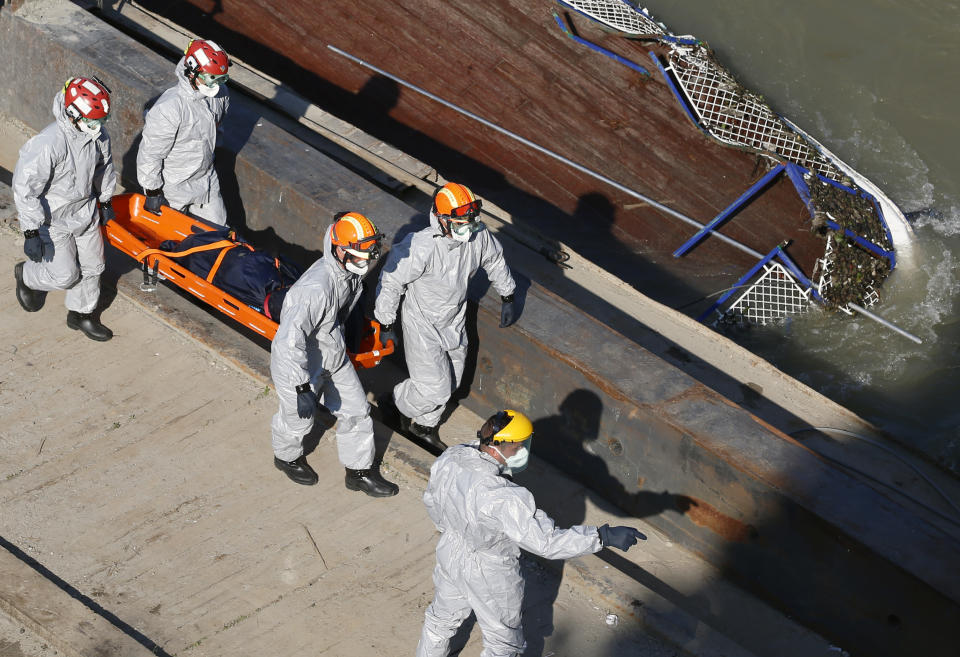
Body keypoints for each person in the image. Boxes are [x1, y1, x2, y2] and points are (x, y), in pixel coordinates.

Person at [416, 409, 646, 657]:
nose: (522, 451)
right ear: (501, 445)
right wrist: (602, 536)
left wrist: (454, 531)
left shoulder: (453, 457)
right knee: (503, 644)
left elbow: (432, 502)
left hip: (450, 550)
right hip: (489, 570)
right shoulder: (504, 496)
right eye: (519, 446)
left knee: (440, 620)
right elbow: (546, 542)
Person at [374, 182, 517, 451]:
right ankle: (393, 401)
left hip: (454, 320)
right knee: (434, 388)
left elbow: (495, 260)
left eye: (471, 220)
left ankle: (424, 426)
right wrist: (386, 321)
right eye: (461, 221)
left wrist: (507, 294)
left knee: (452, 380)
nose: (468, 226)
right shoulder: (421, 246)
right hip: (422, 325)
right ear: (441, 220)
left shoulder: (478, 235)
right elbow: (391, 281)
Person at [270, 211, 398, 497]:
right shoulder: (316, 289)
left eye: (368, 258)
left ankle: (359, 472)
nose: (365, 264)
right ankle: (286, 457)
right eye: (359, 257)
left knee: (356, 411)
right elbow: (288, 343)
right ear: (340, 250)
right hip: (303, 363)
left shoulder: (348, 272)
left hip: (333, 354)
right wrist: (301, 386)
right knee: (297, 420)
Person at [13, 76, 117, 342]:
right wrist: (31, 231)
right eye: (94, 121)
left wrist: (105, 200)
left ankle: (81, 313)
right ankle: (27, 276)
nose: (99, 127)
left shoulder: (95, 134)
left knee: (94, 266)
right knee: (65, 275)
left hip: (84, 214)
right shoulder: (50, 143)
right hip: (53, 221)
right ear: (73, 114)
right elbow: (26, 187)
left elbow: (104, 167)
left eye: (101, 121)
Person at [136, 38, 231, 225]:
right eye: (211, 78)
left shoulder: (220, 94)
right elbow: (150, 154)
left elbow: (217, 124)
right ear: (192, 71)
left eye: (221, 79)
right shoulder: (170, 108)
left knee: (217, 232)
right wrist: (153, 191)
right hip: (173, 186)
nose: (216, 85)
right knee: (170, 241)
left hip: (206, 179)